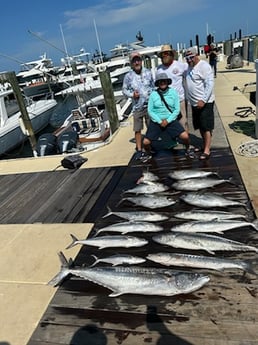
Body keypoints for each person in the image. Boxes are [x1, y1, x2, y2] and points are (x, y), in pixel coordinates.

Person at [143, 72, 193, 159]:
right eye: (160, 81)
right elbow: (150, 110)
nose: (162, 83)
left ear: (167, 82)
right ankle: (148, 153)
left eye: (164, 81)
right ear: (158, 83)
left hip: (170, 120)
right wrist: (159, 121)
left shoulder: (173, 92)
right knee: (146, 142)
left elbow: (177, 110)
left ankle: (188, 149)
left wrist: (167, 120)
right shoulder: (153, 94)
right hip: (156, 121)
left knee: (185, 136)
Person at [122, 51, 154, 161]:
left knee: (151, 127)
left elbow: (153, 86)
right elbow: (124, 90)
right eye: (134, 61)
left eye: (138, 60)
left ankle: (150, 146)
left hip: (149, 105)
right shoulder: (128, 76)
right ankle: (139, 149)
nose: (137, 62)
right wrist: (132, 95)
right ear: (131, 63)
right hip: (137, 107)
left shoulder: (148, 72)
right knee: (138, 129)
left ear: (141, 61)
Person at [184, 47, 215, 160]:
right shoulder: (188, 68)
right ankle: (204, 145)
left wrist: (203, 99)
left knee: (206, 127)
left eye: (191, 57)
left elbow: (210, 84)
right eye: (187, 58)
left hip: (205, 103)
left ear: (196, 55)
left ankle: (207, 150)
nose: (189, 60)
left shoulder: (204, 66)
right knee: (200, 126)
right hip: (194, 103)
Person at [157, 44, 189, 131]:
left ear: (171, 54)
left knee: (183, 122)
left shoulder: (181, 65)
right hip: (165, 103)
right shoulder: (159, 69)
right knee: (170, 125)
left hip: (179, 100)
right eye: (163, 54)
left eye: (167, 53)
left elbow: (190, 74)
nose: (165, 55)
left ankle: (186, 141)